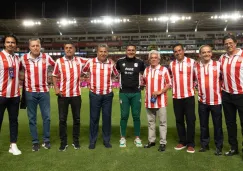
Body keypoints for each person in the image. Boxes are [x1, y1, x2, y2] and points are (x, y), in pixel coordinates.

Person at [20, 38, 55, 151]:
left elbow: (58, 67)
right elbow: (15, 70)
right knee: (32, 118)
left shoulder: (47, 57)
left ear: (40, 46)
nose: (35, 47)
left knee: (47, 117)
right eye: (33, 46)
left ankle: (46, 140)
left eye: (37, 45)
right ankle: (35, 142)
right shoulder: (23, 58)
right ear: (29, 47)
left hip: (44, 91)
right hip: (30, 92)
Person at [52, 42, 88, 151]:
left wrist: (109, 60)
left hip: (76, 95)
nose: (68, 50)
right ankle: (63, 142)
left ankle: (75, 141)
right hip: (63, 95)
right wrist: (56, 88)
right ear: (64, 49)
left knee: (76, 119)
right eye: (66, 48)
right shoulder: (59, 61)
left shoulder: (80, 60)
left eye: (70, 48)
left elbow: (94, 61)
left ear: (74, 49)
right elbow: (54, 75)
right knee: (62, 120)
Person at [82, 43, 119, 149]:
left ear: (107, 52)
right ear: (97, 52)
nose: (103, 53)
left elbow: (116, 74)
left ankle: (106, 140)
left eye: (105, 51)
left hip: (107, 94)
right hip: (94, 94)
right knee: (94, 118)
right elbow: (83, 72)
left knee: (106, 118)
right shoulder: (90, 62)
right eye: (101, 51)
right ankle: (92, 140)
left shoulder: (111, 64)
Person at [194, 45, 223, 155]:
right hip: (202, 101)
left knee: (217, 125)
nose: (206, 54)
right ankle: (204, 145)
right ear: (200, 54)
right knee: (203, 125)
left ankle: (218, 146)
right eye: (204, 52)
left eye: (208, 52)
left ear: (211, 53)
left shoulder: (218, 65)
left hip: (216, 101)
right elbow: (192, 80)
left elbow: (224, 79)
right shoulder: (196, 67)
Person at [116, 45, 146, 147]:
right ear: (126, 51)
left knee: (136, 116)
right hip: (123, 93)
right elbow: (115, 73)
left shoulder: (140, 62)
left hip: (136, 93)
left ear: (135, 51)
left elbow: (144, 74)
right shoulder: (120, 62)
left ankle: (137, 137)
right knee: (124, 116)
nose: (131, 52)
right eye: (129, 50)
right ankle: (122, 137)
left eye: (133, 50)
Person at [169, 44, 196, 153]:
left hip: (189, 96)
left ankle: (191, 143)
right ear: (174, 53)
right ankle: (182, 141)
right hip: (176, 97)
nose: (178, 53)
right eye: (176, 51)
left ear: (183, 51)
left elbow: (196, 77)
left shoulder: (192, 62)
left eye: (180, 50)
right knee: (179, 120)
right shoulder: (171, 64)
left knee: (190, 120)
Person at [219, 34, 243, 156]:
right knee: (230, 123)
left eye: (230, 43)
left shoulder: (242, 55)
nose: (228, 45)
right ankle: (234, 148)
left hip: (241, 94)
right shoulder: (222, 58)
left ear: (235, 42)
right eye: (226, 44)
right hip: (227, 95)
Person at [143, 50, 171, 152]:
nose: (153, 59)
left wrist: (160, 91)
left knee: (162, 123)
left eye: (155, 57)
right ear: (149, 60)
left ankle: (163, 143)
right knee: (151, 122)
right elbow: (144, 83)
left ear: (159, 59)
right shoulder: (146, 70)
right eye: (151, 58)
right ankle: (151, 141)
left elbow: (168, 84)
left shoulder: (164, 70)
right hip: (149, 101)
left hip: (161, 101)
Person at [0, 34, 22, 155]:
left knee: (14, 121)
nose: (10, 44)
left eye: (13, 42)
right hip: (1, 95)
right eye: (8, 42)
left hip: (14, 96)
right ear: (4, 44)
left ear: (16, 45)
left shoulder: (17, 58)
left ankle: (13, 145)